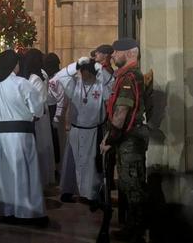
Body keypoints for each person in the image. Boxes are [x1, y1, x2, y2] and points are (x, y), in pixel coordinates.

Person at [0, 50, 49, 226]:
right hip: (21, 135)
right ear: (14, 65)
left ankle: (7, 211)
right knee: (24, 173)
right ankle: (27, 212)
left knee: (4, 173)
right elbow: (38, 110)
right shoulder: (22, 83)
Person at [100, 38, 148, 243]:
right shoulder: (127, 75)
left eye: (117, 52)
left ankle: (136, 231)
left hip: (129, 140)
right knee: (129, 185)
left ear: (130, 53)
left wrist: (110, 139)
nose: (113, 56)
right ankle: (132, 227)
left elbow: (121, 112)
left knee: (133, 186)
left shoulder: (129, 77)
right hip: (126, 139)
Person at [50, 56, 113, 204]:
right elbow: (59, 77)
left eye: (87, 72)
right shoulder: (74, 84)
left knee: (91, 165)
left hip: (93, 131)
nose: (83, 75)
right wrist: (76, 64)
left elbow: (113, 83)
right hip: (76, 130)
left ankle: (91, 194)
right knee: (73, 163)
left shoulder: (100, 86)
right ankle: (69, 190)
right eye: (81, 72)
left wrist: (98, 67)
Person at [21, 49, 56, 187]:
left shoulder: (37, 78)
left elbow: (40, 100)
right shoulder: (31, 76)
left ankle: (41, 178)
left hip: (38, 117)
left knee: (41, 146)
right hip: (33, 116)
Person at [44, 53, 62, 166]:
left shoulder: (58, 77)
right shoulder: (48, 76)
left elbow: (60, 98)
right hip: (49, 107)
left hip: (54, 108)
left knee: (54, 136)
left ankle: (56, 162)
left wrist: (57, 116)